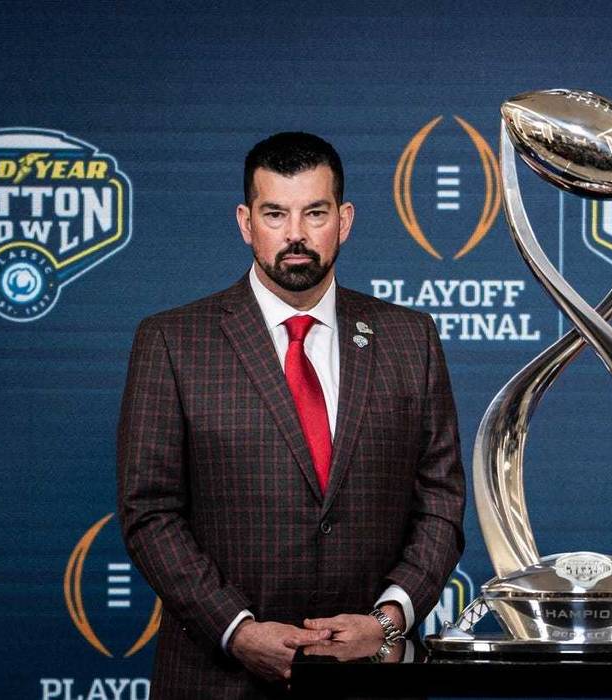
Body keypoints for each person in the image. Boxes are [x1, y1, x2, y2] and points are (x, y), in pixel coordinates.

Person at [117, 132, 465, 697]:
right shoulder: (173, 341)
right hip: (217, 677)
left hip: (368, 673)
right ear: (245, 221)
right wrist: (237, 629)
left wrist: (386, 623)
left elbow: (441, 503)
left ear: (344, 220)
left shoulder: (410, 337)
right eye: (275, 213)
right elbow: (149, 513)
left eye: (316, 212)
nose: (296, 234)